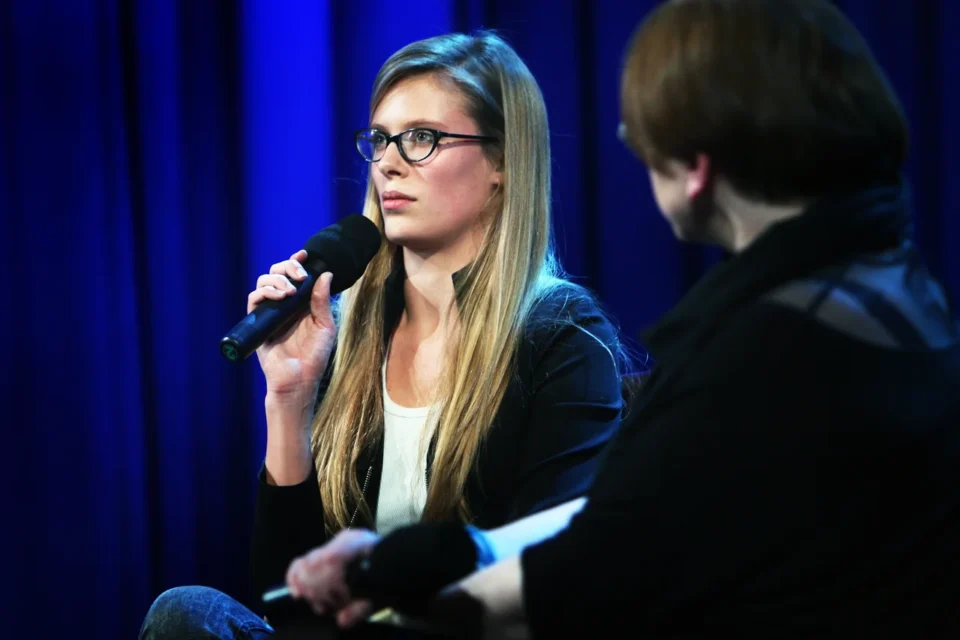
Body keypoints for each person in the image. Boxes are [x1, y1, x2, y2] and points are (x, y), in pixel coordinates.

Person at [283, 1, 960, 637]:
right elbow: (614, 519)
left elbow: (607, 560)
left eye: (640, 134)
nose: (388, 164)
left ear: (695, 165)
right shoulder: (892, 295)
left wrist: (398, 589)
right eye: (381, 140)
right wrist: (436, 555)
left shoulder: (768, 348)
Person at [139, 31, 627, 639]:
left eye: (422, 138)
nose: (388, 163)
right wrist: (290, 399)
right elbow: (286, 602)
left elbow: (556, 566)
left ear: (502, 162)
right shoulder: (345, 332)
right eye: (380, 139)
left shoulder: (561, 337)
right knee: (186, 612)